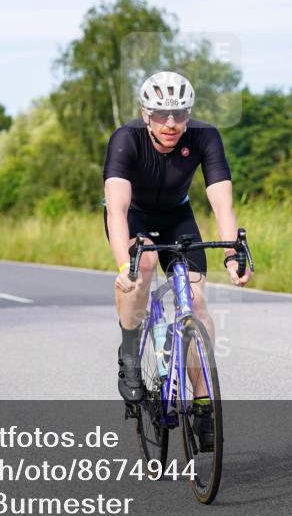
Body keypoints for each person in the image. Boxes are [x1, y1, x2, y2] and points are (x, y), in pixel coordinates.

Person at [103, 71, 253, 417]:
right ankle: (129, 354)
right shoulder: (126, 139)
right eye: (160, 115)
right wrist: (123, 268)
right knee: (143, 266)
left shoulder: (205, 137)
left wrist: (232, 255)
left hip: (176, 217)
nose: (171, 123)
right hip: (134, 217)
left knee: (197, 303)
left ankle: (202, 404)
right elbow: (117, 210)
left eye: (180, 114)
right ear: (146, 114)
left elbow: (222, 203)